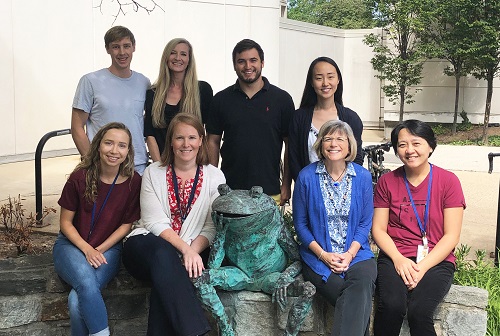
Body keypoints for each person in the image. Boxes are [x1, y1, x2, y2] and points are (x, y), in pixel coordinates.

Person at [122, 113, 225, 336]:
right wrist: (186, 251)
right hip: (146, 247)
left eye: (192, 137)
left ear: (201, 141)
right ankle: (197, 332)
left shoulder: (215, 176)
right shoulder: (153, 172)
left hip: (191, 252)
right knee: (163, 253)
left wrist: (192, 252)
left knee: (168, 272)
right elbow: (153, 222)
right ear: (170, 141)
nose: (186, 144)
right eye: (179, 138)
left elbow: (212, 226)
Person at [372, 119, 465, 336]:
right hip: (395, 257)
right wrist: (398, 259)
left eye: (416, 143)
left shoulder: (448, 181)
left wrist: (421, 268)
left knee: (419, 311)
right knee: (391, 307)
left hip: (436, 260)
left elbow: (451, 236)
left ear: (430, 146)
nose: (409, 150)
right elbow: (378, 229)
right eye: (402, 145)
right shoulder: (387, 181)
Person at [53, 122, 141, 336]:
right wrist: (87, 249)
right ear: (98, 145)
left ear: (128, 151)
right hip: (70, 246)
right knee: (84, 281)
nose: (114, 150)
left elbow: (126, 225)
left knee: (76, 300)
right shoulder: (79, 177)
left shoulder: (133, 181)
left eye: (122, 145)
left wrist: (100, 248)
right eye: (108, 143)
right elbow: (64, 223)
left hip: (109, 249)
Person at [293, 120, 376, 336]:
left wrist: (349, 254)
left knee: (362, 284)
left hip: (357, 254)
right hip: (317, 258)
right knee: (355, 299)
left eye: (340, 139)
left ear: (350, 145)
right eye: (328, 138)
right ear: (320, 144)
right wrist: (323, 255)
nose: (333, 144)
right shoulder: (306, 177)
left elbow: (365, 222)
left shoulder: (363, 177)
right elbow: (300, 225)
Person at [206, 38, 294, 205]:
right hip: (229, 191)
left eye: (253, 60)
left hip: (269, 192)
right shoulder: (221, 100)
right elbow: (212, 142)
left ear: (262, 63)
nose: (248, 66)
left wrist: (286, 184)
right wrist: (212, 184)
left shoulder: (282, 99)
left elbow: (290, 145)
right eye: (241, 61)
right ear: (234, 65)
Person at [71, 26, 150, 175]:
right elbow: (77, 127)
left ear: (134, 47)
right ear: (107, 49)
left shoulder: (143, 82)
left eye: (126, 46)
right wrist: (92, 163)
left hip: (138, 166)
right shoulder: (90, 81)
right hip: (105, 167)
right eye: (115, 47)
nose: (122, 52)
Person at [289, 56, 364, 182]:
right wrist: (306, 185)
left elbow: (357, 158)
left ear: (338, 79)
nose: (325, 83)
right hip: (309, 189)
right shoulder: (299, 118)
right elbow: (294, 159)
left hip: (343, 190)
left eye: (330, 77)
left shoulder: (351, 118)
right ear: (311, 82)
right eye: (319, 78)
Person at [144, 38, 213, 162]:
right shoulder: (152, 94)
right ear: (166, 57)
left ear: (189, 60)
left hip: (193, 165)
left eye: (183, 54)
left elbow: (209, 133)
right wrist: (159, 168)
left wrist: (202, 163)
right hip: (162, 164)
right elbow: (150, 135)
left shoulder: (203, 90)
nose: (177, 58)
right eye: (173, 53)